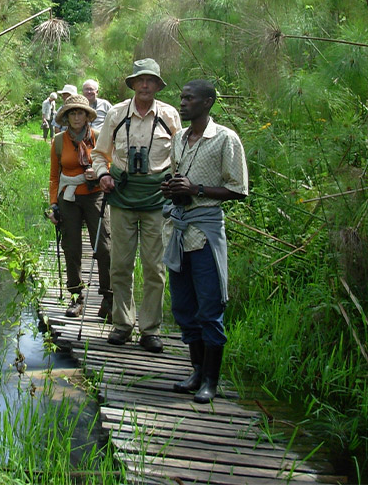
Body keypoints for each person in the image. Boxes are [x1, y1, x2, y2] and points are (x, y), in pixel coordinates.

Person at [161, 80, 248, 403]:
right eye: (182, 98)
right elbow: (177, 176)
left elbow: (238, 189)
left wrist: (196, 190)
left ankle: (211, 380)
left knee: (209, 307)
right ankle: (196, 371)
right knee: (184, 307)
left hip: (206, 233)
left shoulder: (225, 139)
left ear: (208, 102)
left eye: (189, 98)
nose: (182, 103)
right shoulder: (179, 139)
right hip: (179, 232)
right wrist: (171, 189)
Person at [92, 59, 181, 353]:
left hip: (158, 199)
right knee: (120, 264)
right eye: (140, 80)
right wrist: (104, 174)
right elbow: (99, 153)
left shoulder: (170, 116)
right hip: (122, 195)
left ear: (157, 85)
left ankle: (150, 329)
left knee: (155, 267)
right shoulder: (116, 114)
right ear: (133, 84)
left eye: (150, 81)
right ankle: (122, 324)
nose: (145, 85)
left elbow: (181, 158)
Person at [49, 94, 112, 320]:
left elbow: (109, 164)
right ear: (66, 117)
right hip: (68, 198)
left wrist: (98, 172)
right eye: (72, 113)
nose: (77, 116)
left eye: (80, 112)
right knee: (72, 248)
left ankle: (108, 298)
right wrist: (53, 205)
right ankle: (76, 298)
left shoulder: (97, 138)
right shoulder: (58, 141)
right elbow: (54, 177)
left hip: (95, 196)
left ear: (87, 116)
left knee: (104, 247)